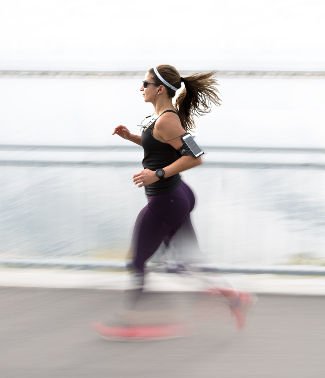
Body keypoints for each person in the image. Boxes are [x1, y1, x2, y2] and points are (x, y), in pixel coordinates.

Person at [109, 64, 254, 335]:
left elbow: (195, 156)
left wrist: (158, 174)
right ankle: (236, 298)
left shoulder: (167, 119)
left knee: (138, 261)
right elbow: (161, 144)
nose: (141, 88)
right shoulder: (163, 118)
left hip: (167, 200)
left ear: (160, 89)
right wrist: (131, 137)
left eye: (145, 83)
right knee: (188, 259)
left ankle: (127, 322)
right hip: (177, 196)